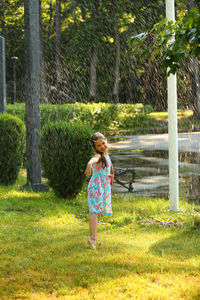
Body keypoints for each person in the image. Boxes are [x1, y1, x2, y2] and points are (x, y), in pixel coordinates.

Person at [85, 132, 114, 250]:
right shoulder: (99, 156)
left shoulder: (106, 154)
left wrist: (112, 175)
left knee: (97, 212)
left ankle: (93, 237)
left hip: (103, 186)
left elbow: (110, 167)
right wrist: (89, 163)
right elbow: (94, 159)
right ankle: (92, 238)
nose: (102, 146)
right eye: (99, 146)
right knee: (95, 212)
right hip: (96, 187)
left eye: (103, 143)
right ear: (95, 148)